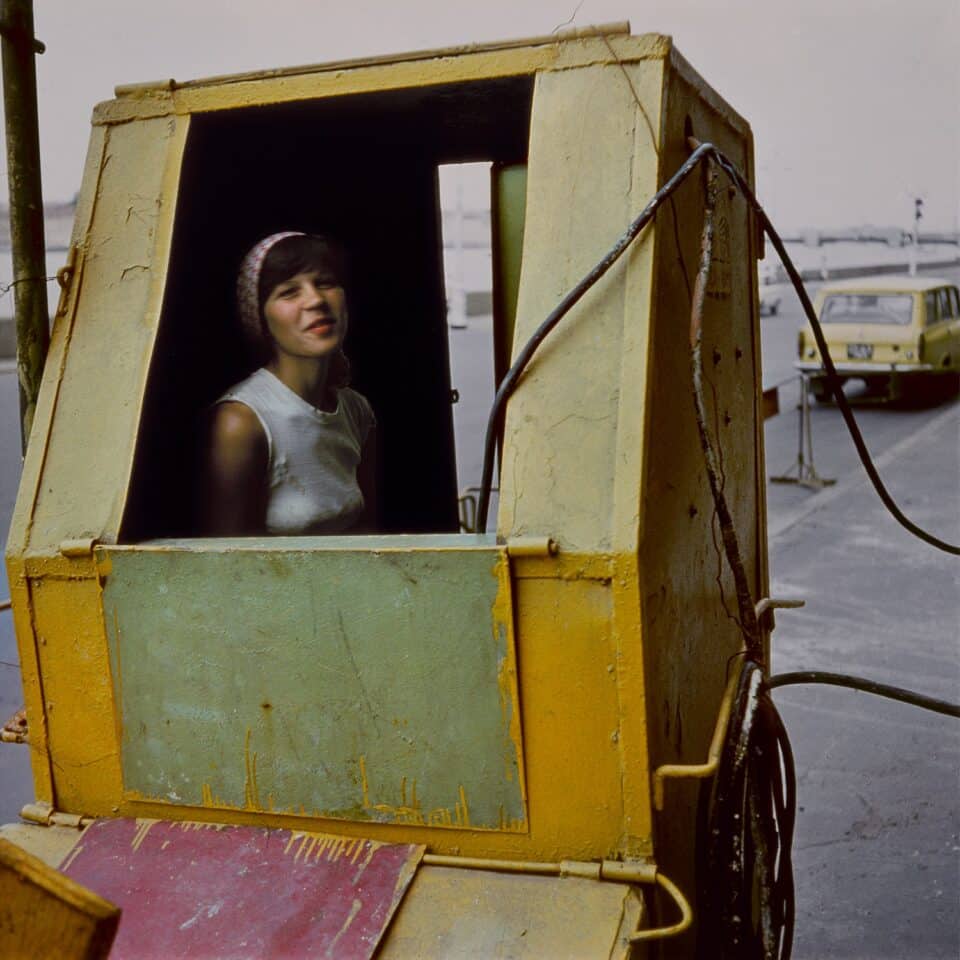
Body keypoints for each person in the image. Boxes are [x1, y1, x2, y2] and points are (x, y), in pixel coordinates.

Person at [202, 232, 377, 536]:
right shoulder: (241, 422)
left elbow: (371, 533)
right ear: (261, 318)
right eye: (289, 292)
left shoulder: (356, 410)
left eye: (325, 282)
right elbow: (226, 565)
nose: (316, 300)